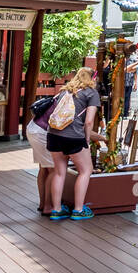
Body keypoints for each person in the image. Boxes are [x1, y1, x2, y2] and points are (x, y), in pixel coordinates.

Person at [46, 67, 107, 221]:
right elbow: (88, 121)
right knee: (86, 170)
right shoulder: (91, 93)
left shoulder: (64, 91)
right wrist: (87, 139)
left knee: (60, 172)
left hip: (53, 134)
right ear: (92, 78)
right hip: (74, 136)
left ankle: (56, 209)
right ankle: (78, 210)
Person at [25, 90, 65, 216]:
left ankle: (43, 204)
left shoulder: (62, 93)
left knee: (43, 168)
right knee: (53, 170)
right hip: (42, 131)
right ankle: (48, 206)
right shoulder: (70, 97)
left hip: (33, 127)